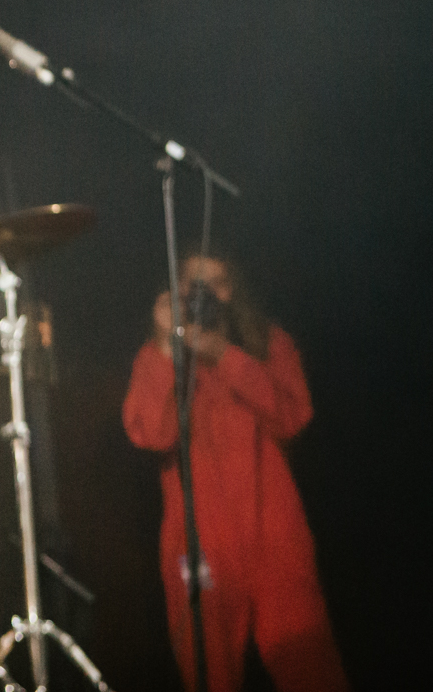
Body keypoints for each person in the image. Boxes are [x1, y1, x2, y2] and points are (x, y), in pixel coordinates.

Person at [121, 254, 351, 692]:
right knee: (208, 674)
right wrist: (167, 346)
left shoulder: (268, 342)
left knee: (311, 669)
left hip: (275, 536)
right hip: (199, 545)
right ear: (176, 291)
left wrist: (225, 356)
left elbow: (293, 417)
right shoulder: (157, 357)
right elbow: (150, 434)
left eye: (218, 283)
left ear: (234, 291)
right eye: (194, 284)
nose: (205, 294)